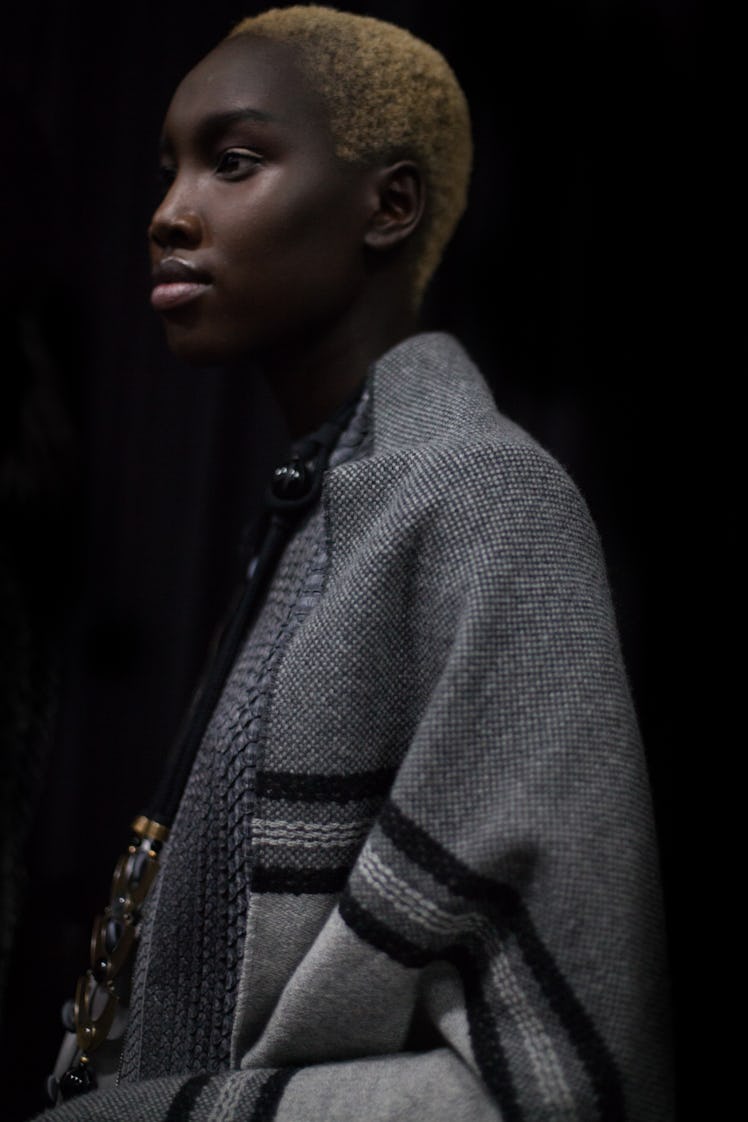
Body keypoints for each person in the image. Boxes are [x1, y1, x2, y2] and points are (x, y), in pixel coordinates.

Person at [36, 6, 671, 1120]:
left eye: (232, 162)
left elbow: (562, 1083)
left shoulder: (483, 501)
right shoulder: (322, 502)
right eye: (168, 168)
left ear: (390, 206)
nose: (169, 213)